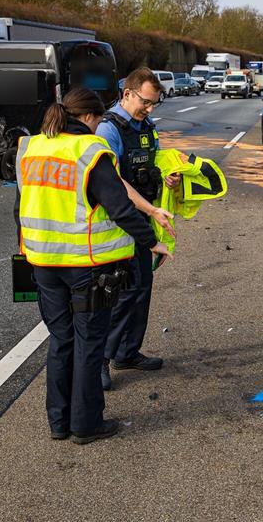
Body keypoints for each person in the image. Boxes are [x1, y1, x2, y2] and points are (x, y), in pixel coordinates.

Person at [14, 87, 173, 444]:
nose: (99, 124)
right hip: (86, 267)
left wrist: (25, 248)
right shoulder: (89, 151)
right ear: (88, 117)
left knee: (61, 341)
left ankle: (59, 422)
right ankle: (86, 424)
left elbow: (20, 207)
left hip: (42, 262)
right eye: (98, 119)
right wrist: (151, 241)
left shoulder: (32, 147)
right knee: (89, 342)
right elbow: (118, 207)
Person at [96, 68, 180, 390]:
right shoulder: (109, 129)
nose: (149, 108)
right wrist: (150, 210)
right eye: (145, 102)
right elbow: (113, 181)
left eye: (154, 104)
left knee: (142, 285)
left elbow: (151, 162)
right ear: (127, 94)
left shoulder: (146, 125)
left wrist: (166, 177)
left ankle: (127, 352)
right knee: (120, 290)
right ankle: (103, 358)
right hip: (119, 220)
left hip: (143, 217)